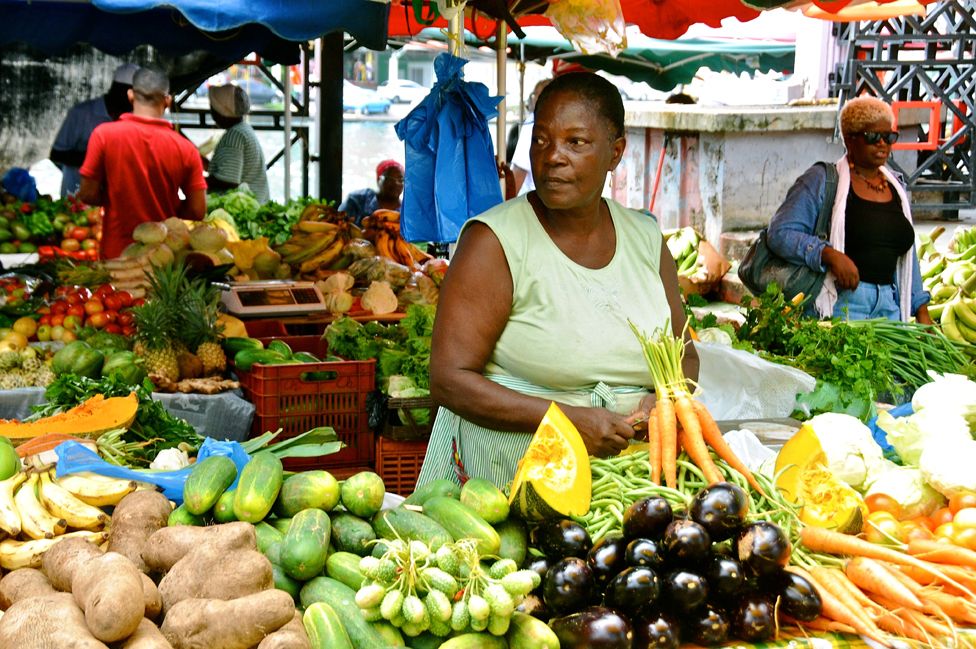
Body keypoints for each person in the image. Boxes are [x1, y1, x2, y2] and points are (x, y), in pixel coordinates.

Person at [415, 72, 697, 489]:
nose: (552, 157)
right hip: (513, 476)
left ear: (615, 152)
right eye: (541, 139)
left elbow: (685, 355)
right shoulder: (494, 241)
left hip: (634, 477)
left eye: (575, 142)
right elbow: (449, 380)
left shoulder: (645, 238)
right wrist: (566, 419)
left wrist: (667, 401)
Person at [766, 96, 932, 323]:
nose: (882, 143)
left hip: (889, 307)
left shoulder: (897, 187)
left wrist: (921, 310)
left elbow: (907, 256)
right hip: (842, 304)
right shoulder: (823, 181)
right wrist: (828, 254)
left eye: (888, 136)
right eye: (873, 137)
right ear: (850, 140)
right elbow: (780, 233)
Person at [78, 67, 207, 259]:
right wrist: (169, 205)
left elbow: (87, 193)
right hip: (163, 256)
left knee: (116, 290)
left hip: (117, 255)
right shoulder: (185, 148)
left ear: (131, 96)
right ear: (168, 101)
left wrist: (117, 198)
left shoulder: (104, 135)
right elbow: (198, 210)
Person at [50, 63, 138, 198]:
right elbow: (57, 154)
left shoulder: (133, 118)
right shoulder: (81, 113)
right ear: (119, 91)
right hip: (76, 194)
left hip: (114, 198)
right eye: (132, 96)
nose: (134, 101)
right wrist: (96, 160)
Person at [206, 84, 270, 204]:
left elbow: (228, 181)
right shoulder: (244, 129)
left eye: (213, 108)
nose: (211, 112)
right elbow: (228, 168)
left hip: (245, 207)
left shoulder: (234, 136)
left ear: (221, 112)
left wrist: (195, 181)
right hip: (257, 202)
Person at [509, 78, 552, 196]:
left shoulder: (533, 125)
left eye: (536, 95)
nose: (533, 99)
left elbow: (518, 173)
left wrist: (503, 208)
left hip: (530, 200)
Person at [339, 160, 404, 226]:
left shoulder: (407, 213)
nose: (396, 183)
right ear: (378, 179)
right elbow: (339, 224)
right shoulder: (358, 200)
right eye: (390, 179)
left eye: (400, 179)